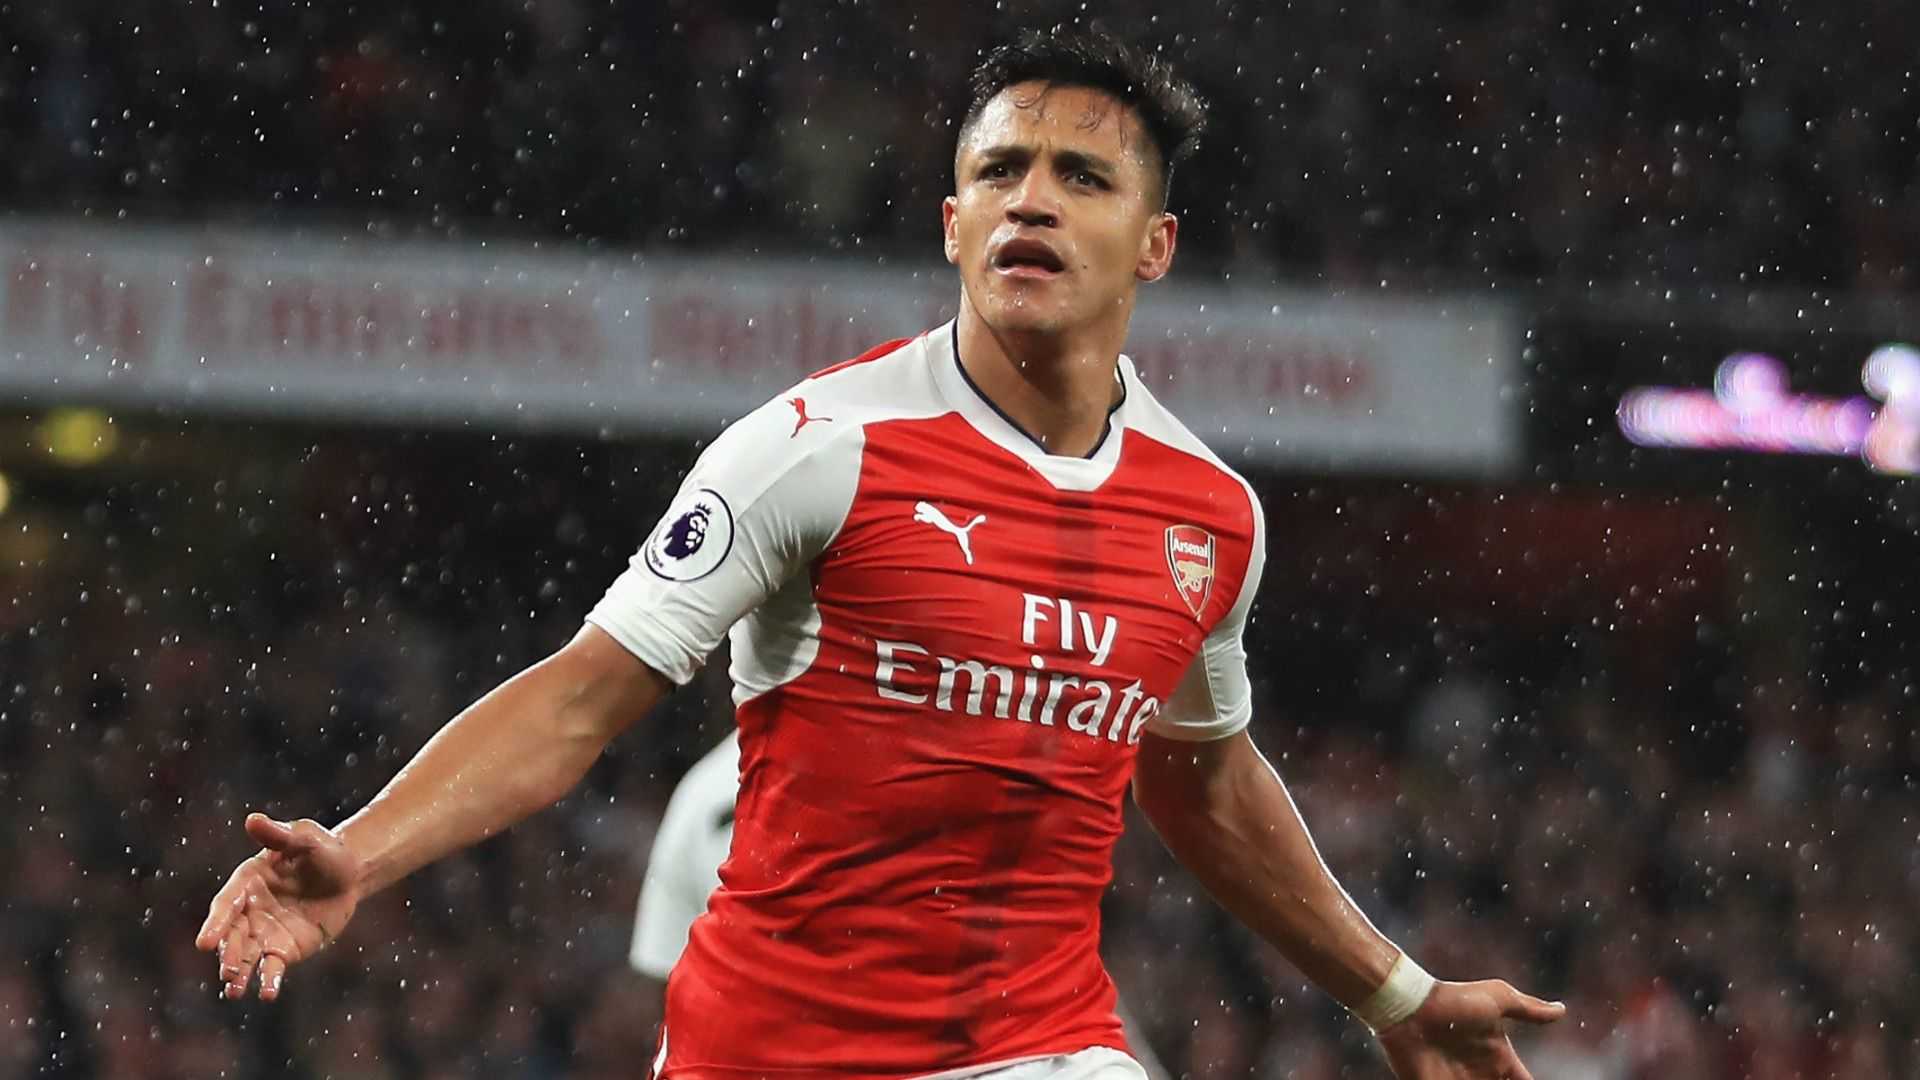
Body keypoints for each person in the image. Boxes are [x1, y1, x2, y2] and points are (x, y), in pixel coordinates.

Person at [196, 27, 1565, 1080]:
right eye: (999, 172)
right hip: (769, 1054)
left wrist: (1397, 993)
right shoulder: (816, 448)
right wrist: (360, 854)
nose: (1032, 201)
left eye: (1081, 176)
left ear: (1154, 246)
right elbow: (578, 700)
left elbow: (1201, 776)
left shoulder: (1207, 514)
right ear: (953, 224)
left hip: (1040, 1045)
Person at [629, 731, 1175, 1080]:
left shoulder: (698, 796)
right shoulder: (929, 751)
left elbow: (671, 992)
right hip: (971, 1038)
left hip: (983, 1039)